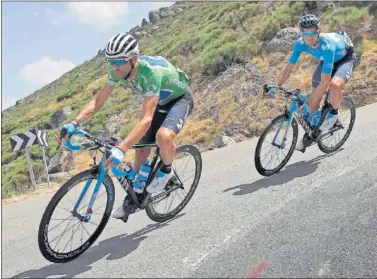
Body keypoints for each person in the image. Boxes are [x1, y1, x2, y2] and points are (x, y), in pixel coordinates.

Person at [56, 33, 194, 219]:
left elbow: (146, 119)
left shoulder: (150, 73)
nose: (114, 66)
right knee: (141, 152)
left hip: (179, 100)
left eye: (119, 62)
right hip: (159, 103)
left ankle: (167, 171)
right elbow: (99, 100)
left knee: (163, 137)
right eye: (110, 61)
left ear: (133, 59)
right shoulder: (117, 70)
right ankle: (134, 197)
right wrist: (75, 121)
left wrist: (121, 148)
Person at [269, 14, 356, 152]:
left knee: (333, 85)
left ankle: (333, 115)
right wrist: (276, 86)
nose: (310, 36)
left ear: (318, 30)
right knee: (315, 98)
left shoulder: (326, 46)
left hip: (344, 58)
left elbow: (325, 83)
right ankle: (312, 133)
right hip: (327, 60)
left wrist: (308, 102)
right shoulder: (300, 44)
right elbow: (288, 68)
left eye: (313, 32)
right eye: (306, 33)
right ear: (301, 33)